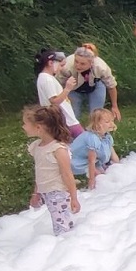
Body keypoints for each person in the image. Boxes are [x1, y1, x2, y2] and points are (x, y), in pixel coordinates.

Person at [23, 105, 79, 235]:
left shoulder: (58, 149)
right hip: (46, 191)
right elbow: (40, 172)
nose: (23, 127)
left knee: (60, 223)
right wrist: (36, 193)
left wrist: (74, 198)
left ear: (38, 128)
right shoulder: (37, 146)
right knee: (61, 219)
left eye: (25, 123)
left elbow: (67, 174)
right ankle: (68, 238)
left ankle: (64, 244)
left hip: (58, 191)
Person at [57, 44, 121, 122]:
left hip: (96, 85)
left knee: (96, 115)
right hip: (72, 87)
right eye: (76, 61)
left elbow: (111, 86)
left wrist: (114, 106)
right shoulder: (66, 67)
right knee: (72, 116)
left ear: (91, 63)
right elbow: (58, 85)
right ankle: (73, 132)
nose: (78, 66)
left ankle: (96, 131)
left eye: (82, 64)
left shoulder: (101, 67)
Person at [34, 49, 83, 138]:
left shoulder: (46, 78)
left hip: (65, 120)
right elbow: (54, 101)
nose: (61, 69)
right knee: (86, 143)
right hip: (66, 120)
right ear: (50, 63)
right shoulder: (47, 79)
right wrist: (67, 88)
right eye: (61, 65)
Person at [69, 108, 120, 189]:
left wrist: (120, 167)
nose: (111, 124)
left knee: (105, 174)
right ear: (97, 124)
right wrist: (91, 180)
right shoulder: (92, 138)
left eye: (112, 121)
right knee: (100, 177)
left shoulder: (107, 137)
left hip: (92, 161)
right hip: (77, 161)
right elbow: (91, 161)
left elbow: (113, 155)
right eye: (107, 122)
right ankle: (93, 190)